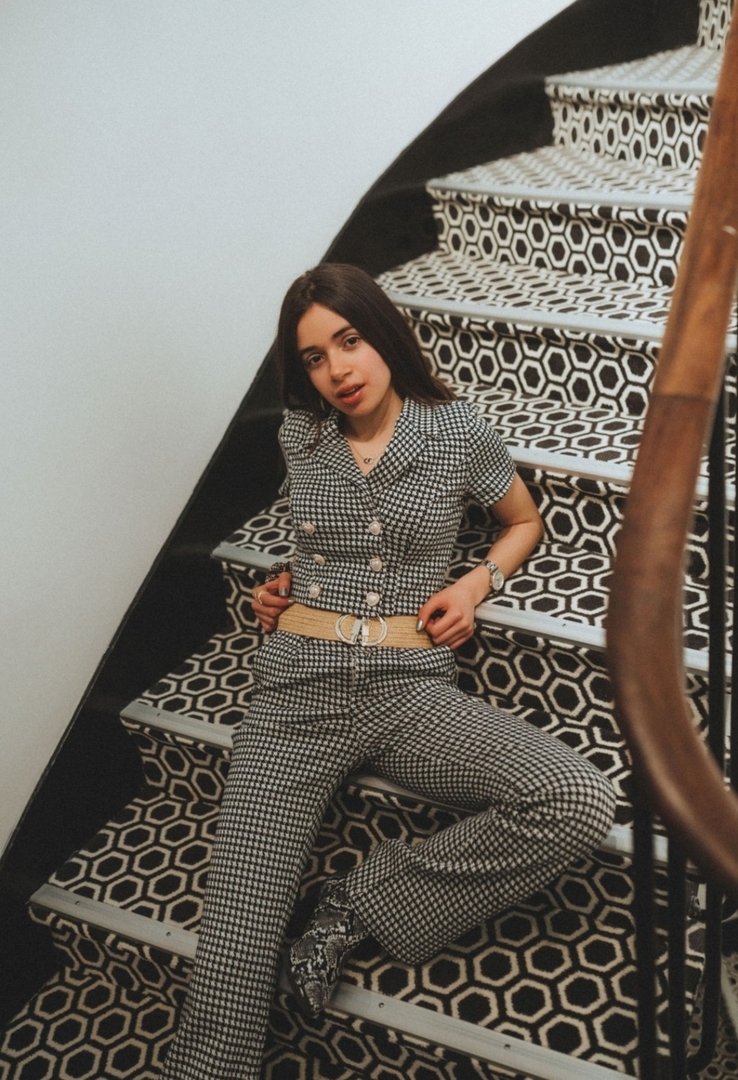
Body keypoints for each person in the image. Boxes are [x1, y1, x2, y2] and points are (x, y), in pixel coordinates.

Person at [161, 264, 616, 1080]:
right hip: (295, 689)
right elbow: (317, 541)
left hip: (410, 690)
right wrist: (281, 583)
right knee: (236, 935)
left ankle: (356, 902)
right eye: (313, 358)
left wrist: (476, 583)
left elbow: (523, 520)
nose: (337, 370)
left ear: (383, 335)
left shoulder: (456, 430)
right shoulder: (300, 436)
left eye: (349, 341)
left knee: (575, 798)